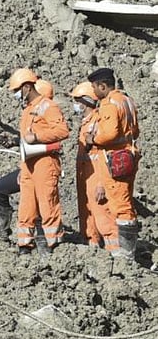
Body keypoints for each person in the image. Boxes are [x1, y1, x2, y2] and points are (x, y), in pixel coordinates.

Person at [0, 79, 55, 239]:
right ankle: (2, 229)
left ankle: (40, 240)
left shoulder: (45, 116)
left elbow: (43, 145)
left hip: (39, 170)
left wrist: (26, 170)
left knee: (36, 205)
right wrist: (14, 141)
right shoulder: (35, 115)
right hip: (30, 167)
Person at [7, 68, 69, 254]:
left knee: (47, 205)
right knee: (26, 206)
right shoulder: (28, 110)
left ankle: (54, 246)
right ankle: (25, 245)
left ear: (27, 87)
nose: (17, 94)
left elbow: (62, 131)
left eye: (18, 90)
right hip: (29, 165)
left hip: (45, 163)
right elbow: (25, 140)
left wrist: (38, 136)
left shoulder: (47, 106)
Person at [84, 67, 140, 259]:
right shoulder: (126, 100)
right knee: (125, 200)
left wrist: (93, 138)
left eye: (95, 87)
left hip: (116, 159)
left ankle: (126, 253)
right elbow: (135, 130)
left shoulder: (109, 104)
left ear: (103, 85)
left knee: (120, 205)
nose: (94, 92)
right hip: (128, 156)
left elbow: (109, 134)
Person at [70, 81, 118, 251]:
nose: (75, 105)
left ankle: (116, 253)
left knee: (103, 216)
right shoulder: (86, 123)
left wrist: (101, 184)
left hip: (96, 178)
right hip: (85, 177)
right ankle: (93, 249)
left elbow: (104, 157)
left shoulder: (98, 122)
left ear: (86, 101)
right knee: (88, 216)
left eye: (77, 101)